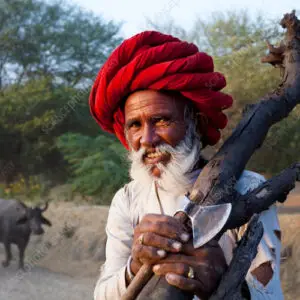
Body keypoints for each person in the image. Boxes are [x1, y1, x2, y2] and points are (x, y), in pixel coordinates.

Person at [89, 31, 283, 300]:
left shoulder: (248, 189)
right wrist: (135, 264)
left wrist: (220, 281)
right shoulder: (127, 199)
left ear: (197, 123)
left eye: (161, 121)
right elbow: (102, 295)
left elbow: (270, 295)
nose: (147, 139)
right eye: (135, 125)